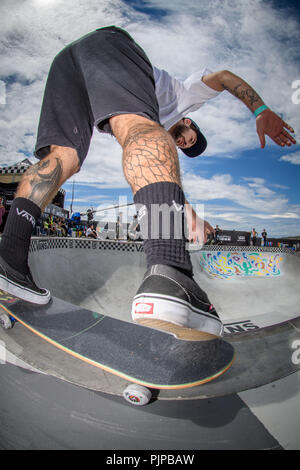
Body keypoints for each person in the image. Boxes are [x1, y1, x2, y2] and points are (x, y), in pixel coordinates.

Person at [0, 26, 296, 341]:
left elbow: (156, 176)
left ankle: (9, 259)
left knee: (62, 159)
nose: (181, 143)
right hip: (110, 47)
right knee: (141, 130)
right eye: (187, 138)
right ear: (188, 121)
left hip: (69, 66)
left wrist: (191, 215)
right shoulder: (185, 96)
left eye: (184, 147)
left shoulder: (152, 136)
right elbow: (224, 77)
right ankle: (171, 274)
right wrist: (261, 109)